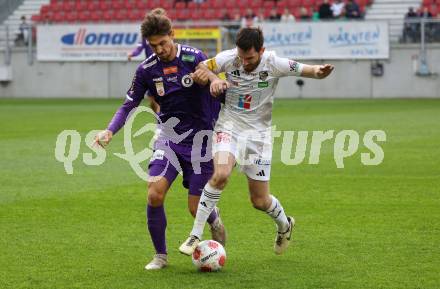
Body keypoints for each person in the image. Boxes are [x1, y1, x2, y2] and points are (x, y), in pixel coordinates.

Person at [179, 27, 334, 256]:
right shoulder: (229, 59)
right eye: (241, 57)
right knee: (220, 174)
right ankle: (195, 234)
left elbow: (307, 70)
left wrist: (320, 71)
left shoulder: (273, 63)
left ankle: (284, 225)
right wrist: (212, 79)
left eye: (249, 58)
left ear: (261, 50)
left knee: (259, 200)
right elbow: (202, 66)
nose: (243, 62)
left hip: (258, 136)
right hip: (228, 126)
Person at [94, 8, 226, 270]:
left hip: (201, 141)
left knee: (193, 207)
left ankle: (215, 222)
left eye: (163, 43)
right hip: (168, 138)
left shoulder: (194, 57)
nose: (159, 49)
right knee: (154, 194)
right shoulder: (146, 69)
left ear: (172, 35)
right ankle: (160, 256)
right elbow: (128, 104)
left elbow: (220, 91)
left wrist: (212, 82)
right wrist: (110, 130)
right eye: (153, 45)